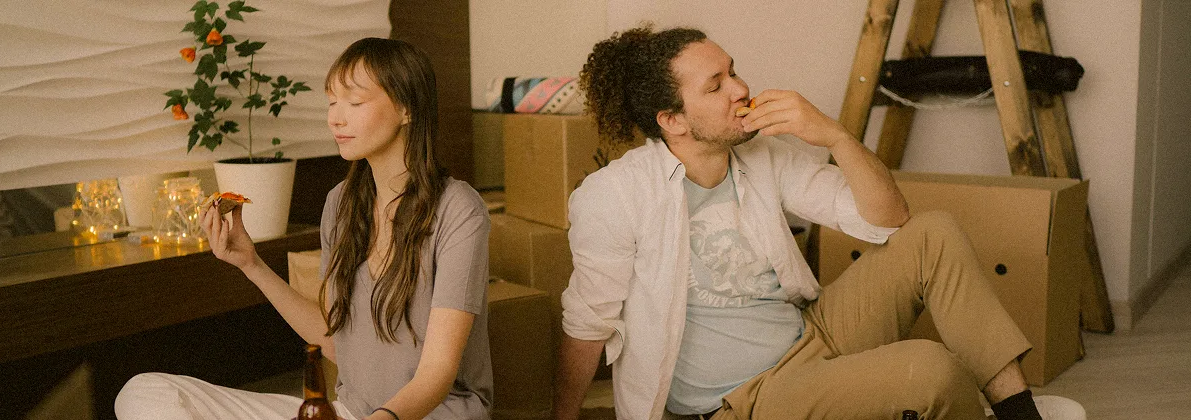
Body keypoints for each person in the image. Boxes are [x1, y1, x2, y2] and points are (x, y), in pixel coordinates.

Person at [553, 25, 1044, 420]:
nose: (741, 89)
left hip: (810, 336)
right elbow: (587, 323)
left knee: (932, 233)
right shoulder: (613, 196)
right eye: (716, 85)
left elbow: (890, 220)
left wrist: (834, 136)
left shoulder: (764, 155)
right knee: (932, 369)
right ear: (673, 120)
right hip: (745, 399)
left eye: (733, 72)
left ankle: (1020, 414)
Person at [114, 37, 493, 420]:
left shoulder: (457, 210)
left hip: (432, 415)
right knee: (143, 394)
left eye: (355, 103)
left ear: (408, 108)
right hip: (350, 412)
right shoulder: (341, 204)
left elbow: (437, 376)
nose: (335, 118)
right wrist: (252, 264)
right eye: (331, 102)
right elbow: (333, 342)